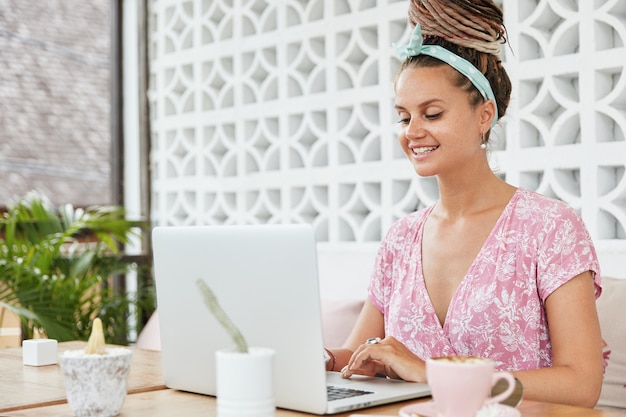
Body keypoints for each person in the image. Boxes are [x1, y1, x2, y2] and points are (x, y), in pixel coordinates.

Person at [323, 0, 605, 408]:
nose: (413, 132)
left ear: (484, 115)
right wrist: (324, 359)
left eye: (432, 114)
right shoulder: (401, 239)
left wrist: (433, 374)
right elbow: (359, 353)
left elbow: (581, 384)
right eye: (404, 118)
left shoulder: (550, 227)